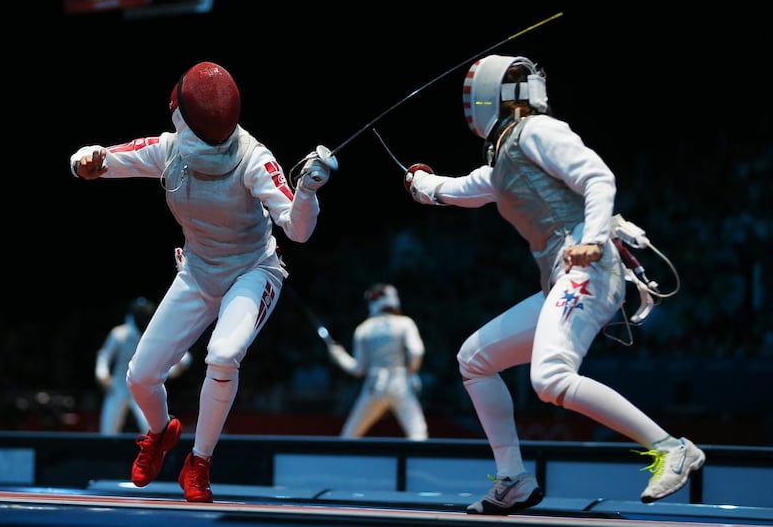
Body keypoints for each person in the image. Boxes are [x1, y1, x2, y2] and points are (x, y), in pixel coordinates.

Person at [403, 54, 705, 514]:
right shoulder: (505, 161)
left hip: (589, 268)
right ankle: (513, 480)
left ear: (490, 96)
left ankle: (671, 448)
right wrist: (421, 183)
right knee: (475, 359)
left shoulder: (539, 131)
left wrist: (594, 239)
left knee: (549, 377)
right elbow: (461, 189)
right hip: (562, 279)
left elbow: (598, 177)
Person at [70, 61, 335, 502]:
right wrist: (84, 159)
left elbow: (299, 229)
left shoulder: (254, 157)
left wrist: (307, 191)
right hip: (197, 270)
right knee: (140, 375)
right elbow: (101, 162)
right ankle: (160, 432)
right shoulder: (169, 149)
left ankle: (200, 462)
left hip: (252, 270)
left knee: (224, 354)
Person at [327, 283, 428, 440]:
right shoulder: (405, 323)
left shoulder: (363, 329)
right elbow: (417, 351)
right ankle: (421, 465)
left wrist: (339, 356)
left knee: (349, 435)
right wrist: (411, 373)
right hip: (400, 383)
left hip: (374, 385)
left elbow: (358, 369)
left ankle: (340, 464)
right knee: (418, 434)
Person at [95, 296, 192, 435]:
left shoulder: (154, 334)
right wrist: (102, 375)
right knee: (108, 430)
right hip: (119, 386)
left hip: (142, 387)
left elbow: (183, 355)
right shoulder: (119, 334)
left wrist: (174, 370)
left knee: (150, 429)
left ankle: (153, 456)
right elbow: (104, 356)